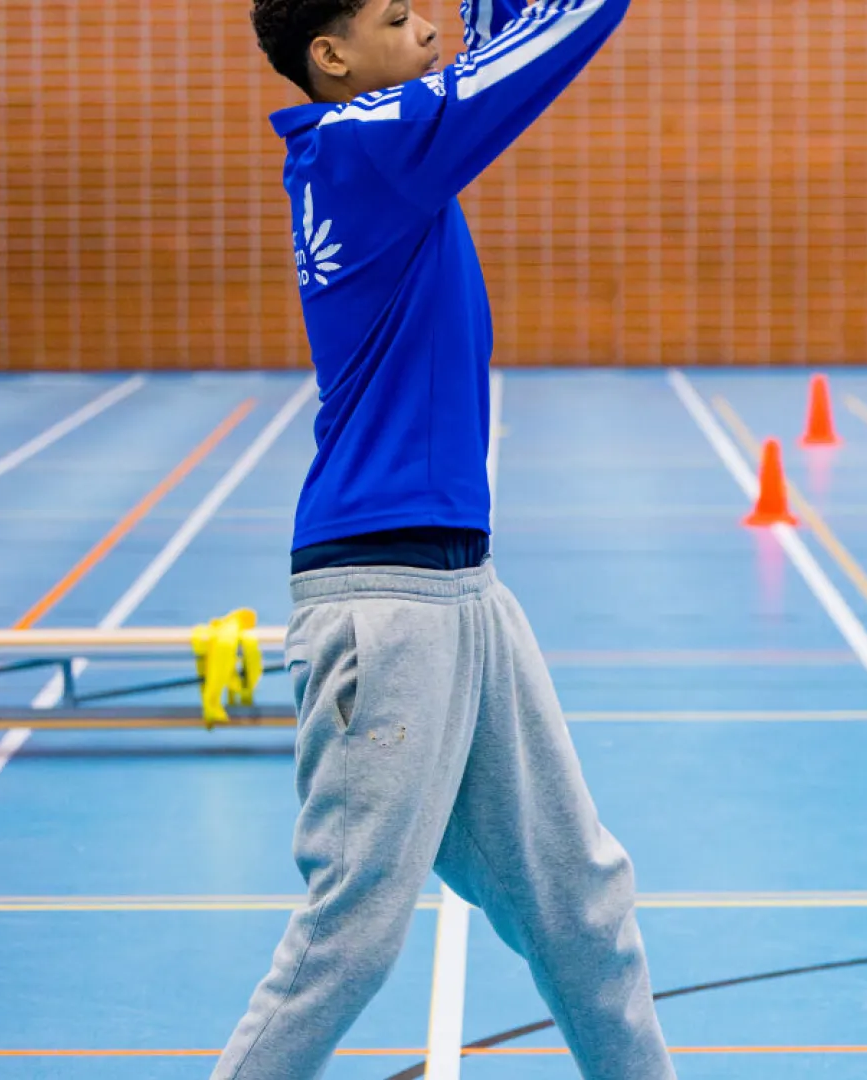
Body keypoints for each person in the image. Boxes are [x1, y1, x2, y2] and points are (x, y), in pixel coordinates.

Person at [217, 1, 672, 1077]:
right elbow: (551, 38)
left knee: (581, 901)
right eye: (394, 16)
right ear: (329, 58)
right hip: (383, 607)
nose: (426, 27)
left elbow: (509, 24)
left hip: (465, 592)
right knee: (351, 938)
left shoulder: (389, 151)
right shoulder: (359, 149)